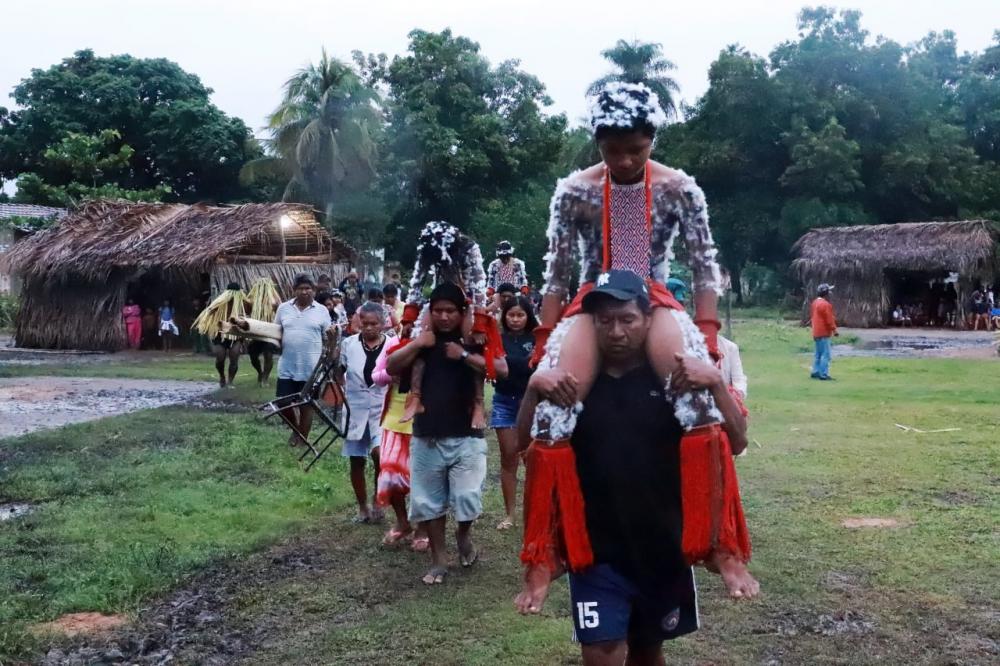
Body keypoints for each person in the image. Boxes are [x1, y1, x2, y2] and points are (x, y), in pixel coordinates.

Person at [514, 272, 757, 664]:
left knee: (647, 651)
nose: (616, 332)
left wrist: (715, 382)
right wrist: (532, 389)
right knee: (601, 654)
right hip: (596, 552)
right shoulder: (572, 384)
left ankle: (726, 564)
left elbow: (738, 442)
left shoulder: (677, 381)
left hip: (663, 545)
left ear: (647, 319)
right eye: (605, 320)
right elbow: (521, 445)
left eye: (627, 319)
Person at [385, 282, 501, 585]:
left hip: (467, 436)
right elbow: (391, 366)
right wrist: (417, 344)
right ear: (430, 311)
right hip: (427, 435)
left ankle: (463, 535)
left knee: (467, 498)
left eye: (450, 311)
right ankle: (439, 560)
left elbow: (499, 370)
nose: (444, 317)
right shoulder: (422, 338)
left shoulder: (474, 336)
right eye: (438, 311)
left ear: (461, 311)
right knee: (428, 501)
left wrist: (463, 355)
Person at [371, 302, 429, 550]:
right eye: (406, 324)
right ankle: (403, 522)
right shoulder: (393, 345)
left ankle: (423, 529)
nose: (408, 328)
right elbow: (376, 375)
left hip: (423, 420)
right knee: (390, 474)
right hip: (394, 419)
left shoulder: (431, 348)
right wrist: (391, 376)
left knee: (422, 479)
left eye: (414, 324)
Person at [340, 302, 389, 523]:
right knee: (356, 460)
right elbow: (338, 372)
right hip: (355, 408)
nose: (369, 328)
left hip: (382, 408)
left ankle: (379, 500)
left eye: (374, 324)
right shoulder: (348, 344)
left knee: (380, 456)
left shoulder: (392, 344)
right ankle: (362, 507)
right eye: (365, 323)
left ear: (383, 323)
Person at [492, 295, 537, 530]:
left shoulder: (538, 338)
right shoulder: (497, 339)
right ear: (504, 316)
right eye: (511, 314)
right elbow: (501, 371)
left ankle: (535, 511)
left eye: (520, 315)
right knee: (509, 458)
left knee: (532, 459)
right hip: (504, 403)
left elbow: (533, 367)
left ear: (528, 316)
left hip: (532, 404)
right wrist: (523, 363)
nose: (516, 319)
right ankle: (510, 514)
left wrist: (510, 363)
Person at [275, 274, 333, 445]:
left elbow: (328, 337)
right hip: (287, 365)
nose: (305, 292)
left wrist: (329, 358)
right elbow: (276, 332)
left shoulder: (322, 311)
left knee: (307, 404)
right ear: (294, 290)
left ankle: (302, 440)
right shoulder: (283, 308)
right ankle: (296, 431)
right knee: (282, 403)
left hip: (311, 367)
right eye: (301, 288)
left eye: (308, 288)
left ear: (314, 290)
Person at [810, 283, 838, 380]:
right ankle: (823, 374)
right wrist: (834, 330)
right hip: (824, 332)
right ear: (826, 293)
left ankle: (815, 371)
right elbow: (829, 320)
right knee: (826, 354)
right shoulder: (826, 305)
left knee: (818, 354)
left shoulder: (814, 303)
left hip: (816, 332)